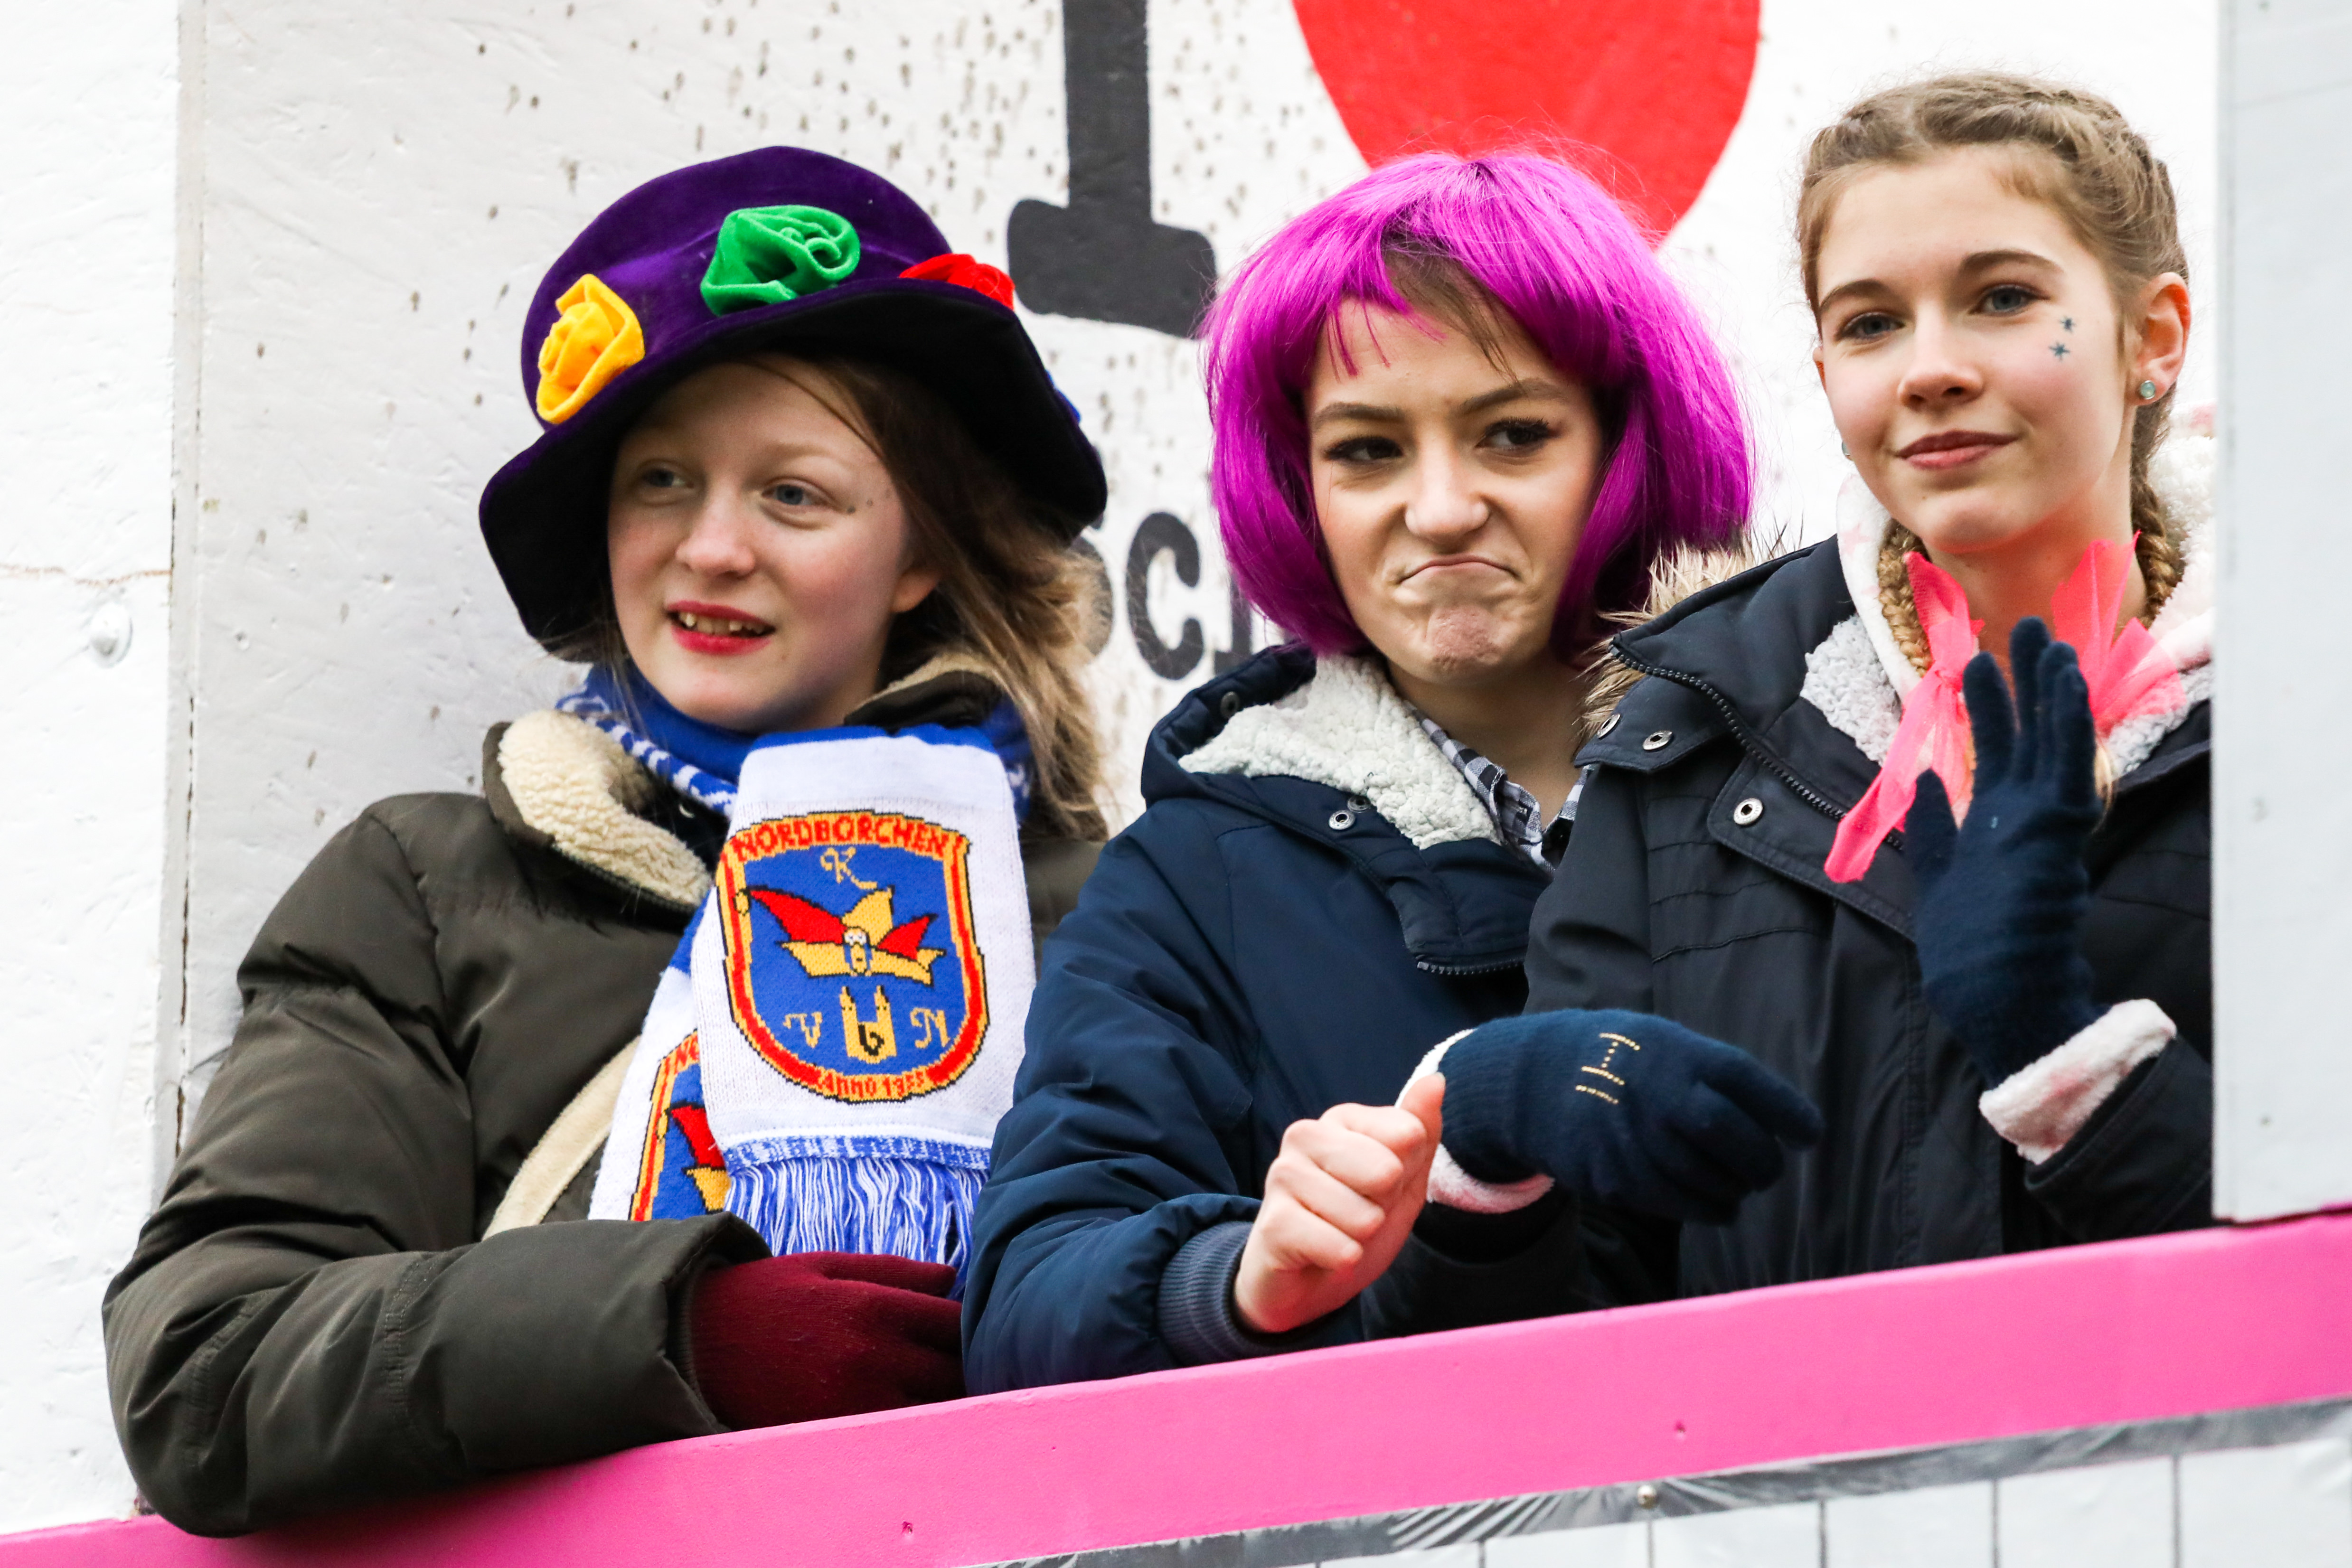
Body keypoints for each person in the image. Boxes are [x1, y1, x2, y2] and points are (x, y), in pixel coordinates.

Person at [103, 148, 1108, 1535]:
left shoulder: (1100, 908)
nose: (711, 548)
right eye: (661, 482)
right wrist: (682, 1330)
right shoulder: (428, 886)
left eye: (794, 495)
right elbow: (205, 1369)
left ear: (921, 555)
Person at [965, 151, 1824, 1393]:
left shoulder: (1836, 764)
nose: (1439, 508)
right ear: (1295, 487)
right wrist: (1239, 1277)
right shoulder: (1192, 876)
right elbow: (1025, 1304)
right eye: (1367, 450)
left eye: (1512, 435)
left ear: (1624, 450)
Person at [1410, 73, 2214, 1307]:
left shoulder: (2310, 718)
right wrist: (1483, 1156)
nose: (1929, 369)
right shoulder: (1690, 734)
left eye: (2002, 299)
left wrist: (2070, 1062)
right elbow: (1562, 1343)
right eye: (1872, 323)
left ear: (2151, 336)